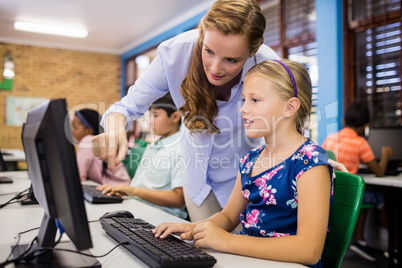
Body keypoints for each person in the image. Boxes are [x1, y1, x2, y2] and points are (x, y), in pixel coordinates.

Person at [92, 0, 345, 221]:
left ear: (252, 53)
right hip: (196, 178)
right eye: (209, 51)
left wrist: (307, 159)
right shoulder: (174, 54)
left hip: (244, 178)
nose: (215, 68)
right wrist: (115, 131)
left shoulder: (268, 65)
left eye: (232, 60)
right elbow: (124, 108)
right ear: (202, 35)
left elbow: (287, 119)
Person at [153, 59, 334, 268]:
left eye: (255, 100)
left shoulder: (309, 162)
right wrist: (192, 229)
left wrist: (228, 241)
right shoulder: (250, 160)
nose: (244, 109)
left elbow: (308, 250)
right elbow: (229, 216)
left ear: (290, 107)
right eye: (243, 100)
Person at [322, 102, 394, 261]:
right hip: (347, 193)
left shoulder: (330, 138)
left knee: (366, 194)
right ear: (366, 125)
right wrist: (386, 155)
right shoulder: (361, 143)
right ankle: (389, 245)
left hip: (331, 191)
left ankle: (360, 240)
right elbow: (379, 172)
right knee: (382, 198)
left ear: (343, 121)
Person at [97, 93, 187, 219]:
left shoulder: (182, 149)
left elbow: (178, 199)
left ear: (175, 117)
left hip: (162, 215)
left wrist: (133, 191)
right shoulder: (152, 146)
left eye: (155, 116)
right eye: (150, 116)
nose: (151, 121)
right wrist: (125, 191)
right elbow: (139, 186)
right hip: (136, 206)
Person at [71, 109, 131, 185]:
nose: (72, 131)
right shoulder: (98, 141)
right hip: (124, 185)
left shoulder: (87, 141)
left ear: (89, 131)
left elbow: (79, 176)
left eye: (75, 128)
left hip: (116, 190)